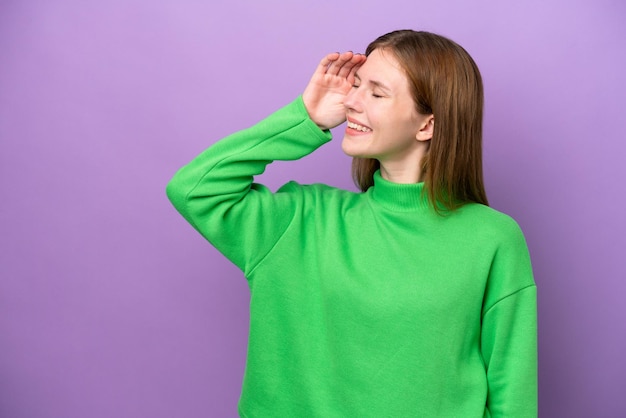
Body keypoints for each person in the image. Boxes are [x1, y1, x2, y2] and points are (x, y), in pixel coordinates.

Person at [167, 30, 537, 417]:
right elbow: (193, 189)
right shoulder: (298, 221)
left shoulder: (491, 239)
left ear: (427, 125)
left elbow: (512, 398)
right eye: (356, 85)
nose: (351, 101)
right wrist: (304, 119)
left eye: (376, 93)